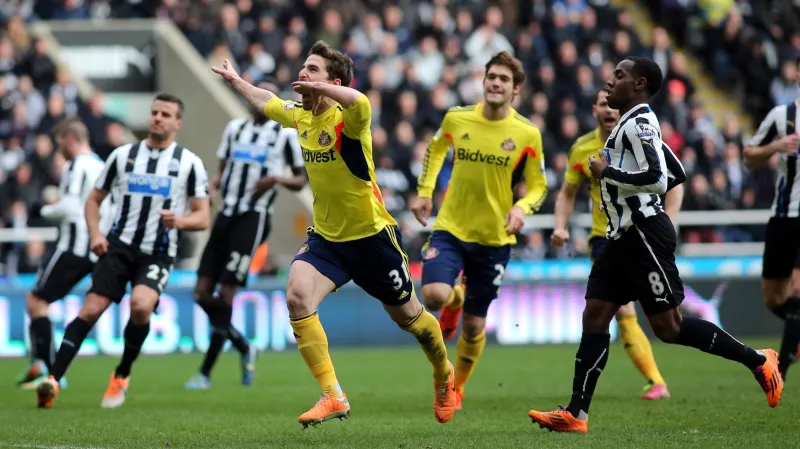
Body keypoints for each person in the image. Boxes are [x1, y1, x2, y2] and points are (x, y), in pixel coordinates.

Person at [528, 57, 782, 433]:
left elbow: (657, 177)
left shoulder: (641, 122)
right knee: (595, 314)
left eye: (619, 76)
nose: (610, 81)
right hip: (620, 238)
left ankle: (758, 360)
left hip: (643, 234)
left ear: (639, 84)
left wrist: (608, 175)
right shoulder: (632, 124)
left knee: (669, 327)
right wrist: (615, 188)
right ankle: (576, 414)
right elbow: (675, 170)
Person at [212, 40, 458, 428]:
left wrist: (321, 90)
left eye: (312, 70)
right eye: (303, 68)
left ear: (333, 82)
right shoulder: (301, 117)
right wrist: (236, 81)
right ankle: (333, 395)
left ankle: (445, 375)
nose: (302, 75)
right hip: (328, 240)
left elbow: (360, 100)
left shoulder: (349, 118)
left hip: (372, 237)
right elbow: (266, 99)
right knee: (296, 295)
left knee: (413, 321)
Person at [35, 93, 211, 409]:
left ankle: (122, 374)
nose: (157, 117)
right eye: (155, 112)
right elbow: (93, 200)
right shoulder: (123, 156)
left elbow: (203, 216)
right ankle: (52, 380)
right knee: (90, 310)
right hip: (118, 247)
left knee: (141, 306)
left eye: (165, 114)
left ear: (177, 123)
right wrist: (94, 234)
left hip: (157, 252)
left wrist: (180, 220)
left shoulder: (189, 163)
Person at [410, 51, 547, 409]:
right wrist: (425, 192)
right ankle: (453, 298)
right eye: (492, 76)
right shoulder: (457, 118)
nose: (495, 83)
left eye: (504, 79)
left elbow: (539, 186)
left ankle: (457, 388)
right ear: (483, 80)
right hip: (451, 228)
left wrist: (522, 207)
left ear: (516, 89)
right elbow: (435, 148)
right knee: (435, 295)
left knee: (473, 327)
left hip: (494, 239)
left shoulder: (527, 133)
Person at [551, 88, 685, 400]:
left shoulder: (637, 136)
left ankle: (586, 403)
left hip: (641, 233)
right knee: (622, 313)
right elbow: (568, 193)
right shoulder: (582, 148)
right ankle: (655, 381)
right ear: (596, 110)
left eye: (611, 105)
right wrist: (560, 226)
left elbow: (673, 181)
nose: (609, 111)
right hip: (605, 238)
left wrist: (671, 219)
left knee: (663, 322)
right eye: (602, 105)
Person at [185, 81, 307, 390]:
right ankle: (243, 345)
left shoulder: (285, 135)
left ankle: (205, 371)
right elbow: (222, 170)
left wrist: (275, 179)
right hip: (226, 213)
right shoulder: (234, 129)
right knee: (200, 292)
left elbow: (300, 180)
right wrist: (211, 187)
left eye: (267, 97)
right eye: (257, 96)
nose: (260, 101)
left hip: (253, 219)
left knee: (226, 294)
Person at [16, 117, 115, 390]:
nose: (59, 149)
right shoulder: (101, 165)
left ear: (70, 139)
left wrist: (42, 210)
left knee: (36, 301)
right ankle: (39, 363)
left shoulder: (77, 166)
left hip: (74, 246)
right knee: (41, 301)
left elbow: (71, 207)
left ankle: (49, 372)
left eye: (60, 143)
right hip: (96, 246)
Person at [743, 56, 800, 380]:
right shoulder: (782, 116)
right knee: (772, 297)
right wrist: (777, 146)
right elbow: (749, 157)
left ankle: (779, 372)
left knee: (796, 291)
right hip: (782, 216)